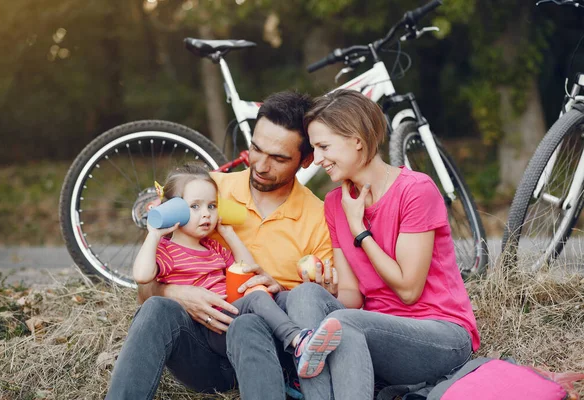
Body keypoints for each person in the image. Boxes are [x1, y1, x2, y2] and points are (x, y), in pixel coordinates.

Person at [105, 91, 334, 400]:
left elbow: (323, 302)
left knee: (249, 322)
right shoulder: (207, 192)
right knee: (157, 307)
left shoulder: (319, 218)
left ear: (306, 160)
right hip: (202, 354)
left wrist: (278, 289)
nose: (261, 165)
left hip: (265, 352)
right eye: (256, 149)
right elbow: (146, 288)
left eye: (278, 158)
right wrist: (176, 293)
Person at [285, 89, 480, 400]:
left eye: (323, 146)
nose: (316, 159)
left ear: (356, 140)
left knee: (344, 324)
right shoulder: (335, 203)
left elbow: (408, 289)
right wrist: (328, 292)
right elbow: (352, 296)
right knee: (304, 295)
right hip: (375, 337)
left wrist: (359, 229)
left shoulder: (415, 191)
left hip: (440, 335)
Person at [132, 164, 342, 378]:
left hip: (231, 315)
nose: (206, 214)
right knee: (256, 297)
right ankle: (298, 340)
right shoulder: (166, 251)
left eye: (212, 206)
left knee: (281, 295)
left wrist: (228, 233)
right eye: (195, 207)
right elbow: (142, 275)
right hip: (209, 326)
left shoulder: (213, 248)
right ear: (173, 209)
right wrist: (154, 234)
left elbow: (248, 270)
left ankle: (298, 349)